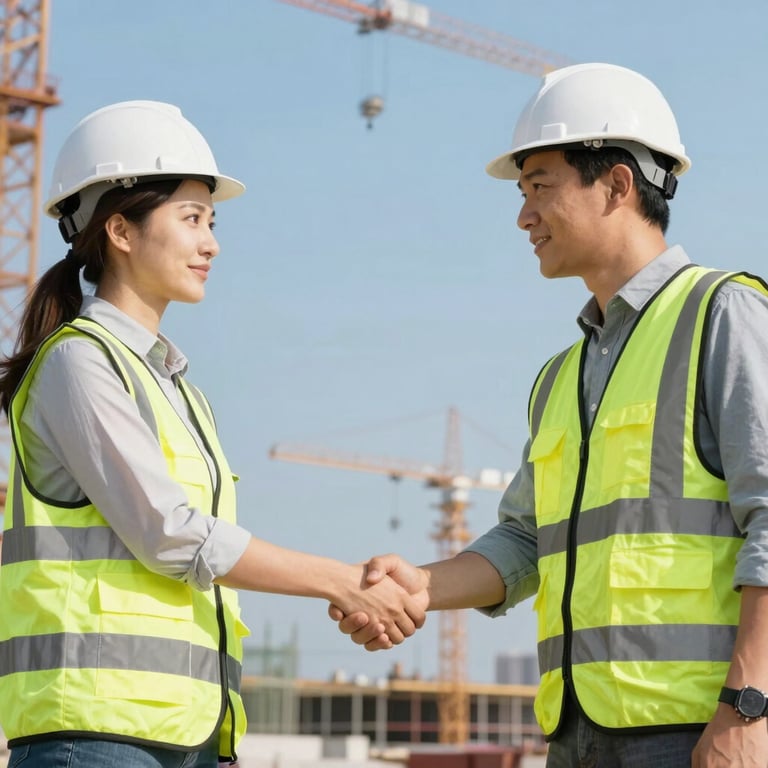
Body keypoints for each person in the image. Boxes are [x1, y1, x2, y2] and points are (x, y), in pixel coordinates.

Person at [331, 63, 768, 767]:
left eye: (541, 188)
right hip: (576, 736)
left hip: (699, 730)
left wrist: (749, 708)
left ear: (618, 185)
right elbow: (528, 542)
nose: (523, 215)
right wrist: (422, 585)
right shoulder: (559, 378)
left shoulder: (723, 316)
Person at [0, 100, 427, 768]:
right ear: (120, 229)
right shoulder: (78, 360)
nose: (211, 243)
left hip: (185, 731)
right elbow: (170, 532)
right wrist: (342, 582)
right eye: (191, 219)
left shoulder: (178, 388)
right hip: (96, 732)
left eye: (212, 221)